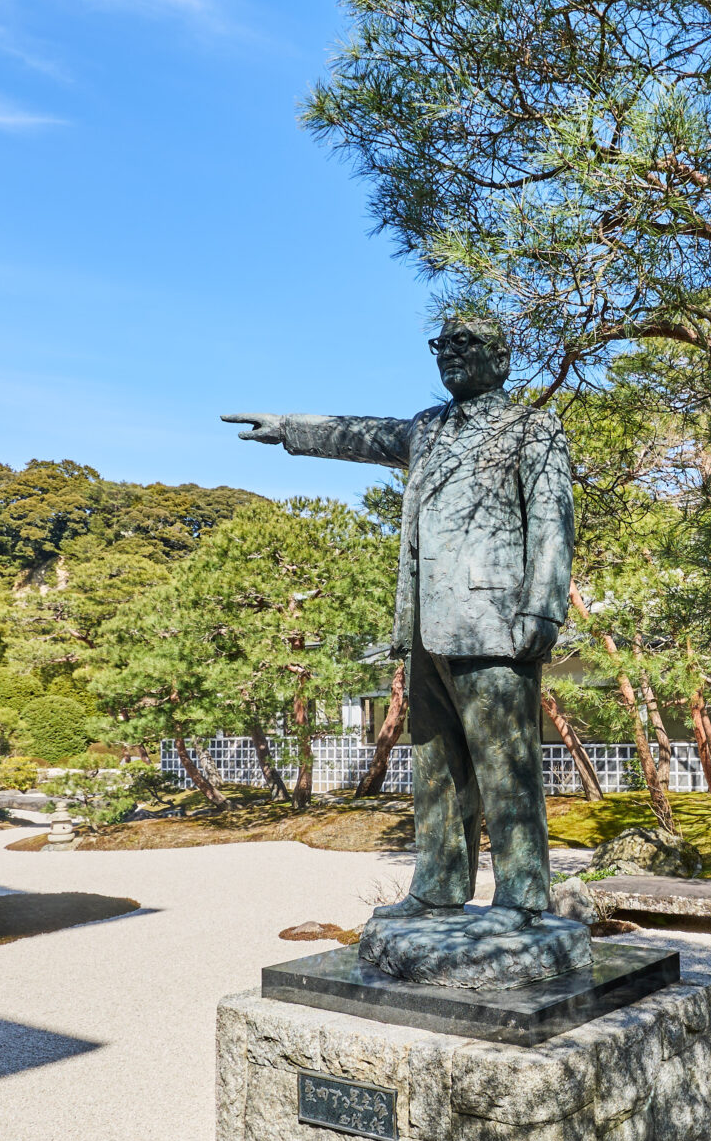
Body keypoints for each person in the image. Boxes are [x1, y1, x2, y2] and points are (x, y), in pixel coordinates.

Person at [223, 319, 574, 937]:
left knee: (506, 767)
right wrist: (287, 428)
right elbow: (361, 434)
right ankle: (437, 890)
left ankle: (522, 897)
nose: (450, 355)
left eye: (465, 344)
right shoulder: (427, 427)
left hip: (496, 623)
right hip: (426, 625)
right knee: (435, 766)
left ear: (501, 359)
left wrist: (544, 607)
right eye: (442, 346)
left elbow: (552, 520)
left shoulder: (531, 426)